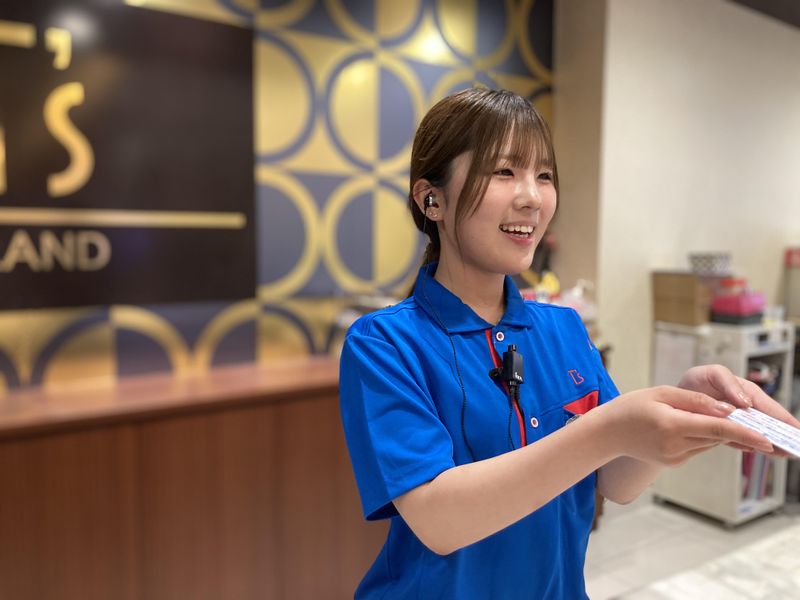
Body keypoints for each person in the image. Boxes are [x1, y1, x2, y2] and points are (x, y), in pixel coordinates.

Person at [338, 88, 799, 599]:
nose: (533, 198)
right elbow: (438, 521)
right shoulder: (384, 344)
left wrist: (689, 402)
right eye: (504, 171)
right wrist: (608, 428)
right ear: (433, 199)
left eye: (544, 175)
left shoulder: (564, 328)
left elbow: (617, 482)